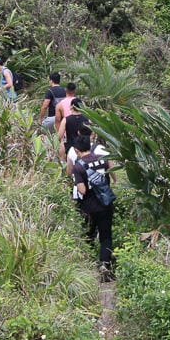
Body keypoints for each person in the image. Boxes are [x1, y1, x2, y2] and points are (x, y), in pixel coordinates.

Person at [70, 134, 115, 279]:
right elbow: (112, 171)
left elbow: (82, 190)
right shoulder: (102, 159)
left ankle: (87, 265)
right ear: (90, 146)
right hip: (105, 203)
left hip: (89, 206)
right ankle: (105, 263)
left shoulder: (78, 166)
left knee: (87, 235)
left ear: (77, 150)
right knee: (106, 235)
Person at [53, 82, 78, 160]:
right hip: (79, 131)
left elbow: (57, 121)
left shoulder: (59, 105)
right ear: (75, 91)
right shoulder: (79, 102)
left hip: (67, 133)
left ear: (65, 90)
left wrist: (59, 136)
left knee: (66, 155)